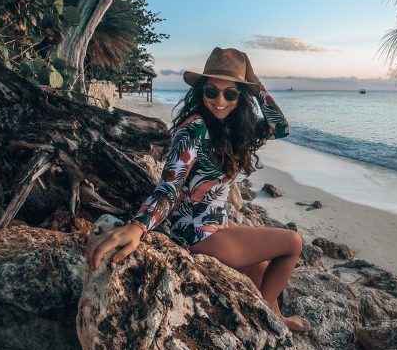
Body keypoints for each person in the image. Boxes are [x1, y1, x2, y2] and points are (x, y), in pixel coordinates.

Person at [85, 47, 310, 332]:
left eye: (230, 94)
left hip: (216, 228)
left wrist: (256, 86)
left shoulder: (234, 128)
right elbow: (168, 187)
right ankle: (270, 319)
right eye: (211, 91)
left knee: (265, 270)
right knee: (293, 243)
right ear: (201, 92)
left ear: (241, 97)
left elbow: (281, 128)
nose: (219, 101)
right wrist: (138, 227)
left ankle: (272, 307)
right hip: (197, 234)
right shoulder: (194, 130)